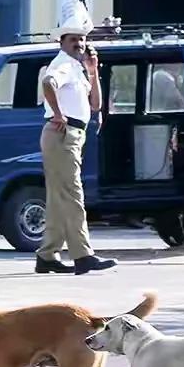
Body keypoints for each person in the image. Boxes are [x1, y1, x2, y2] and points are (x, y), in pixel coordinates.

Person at [37, 14, 116, 275]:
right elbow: (48, 83)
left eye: (82, 39)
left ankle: (47, 256)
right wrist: (58, 113)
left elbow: (95, 105)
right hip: (62, 131)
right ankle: (83, 254)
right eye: (73, 39)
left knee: (60, 198)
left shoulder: (76, 68)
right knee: (73, 195)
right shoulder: (62, 64)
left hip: (73, 134)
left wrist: (93, 72)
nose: (79, 43)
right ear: (62, 42)